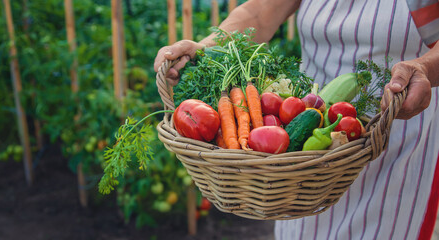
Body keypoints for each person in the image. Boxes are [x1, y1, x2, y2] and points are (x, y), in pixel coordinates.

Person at [154, 0, 439, 239]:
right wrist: (206, 48)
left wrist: (423, 68)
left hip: (393, 135)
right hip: (301, 152)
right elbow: (259, 14)